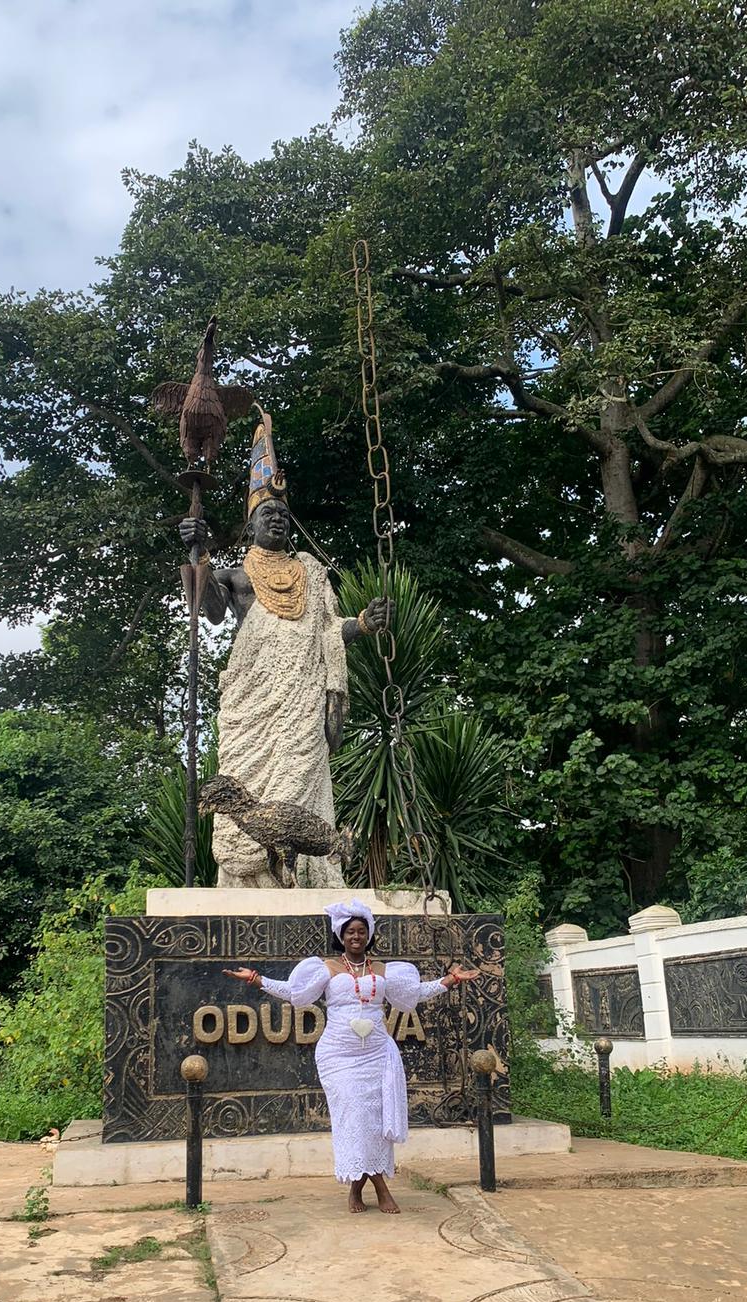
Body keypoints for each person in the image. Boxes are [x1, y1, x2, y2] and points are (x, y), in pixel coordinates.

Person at [180, 410, 389, 888]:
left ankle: (307, 874)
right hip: (251, 703)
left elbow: (328, 631)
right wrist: (200, 552)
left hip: (300, 701)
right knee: (242, 782)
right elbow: (208, 608)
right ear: (250, 525)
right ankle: (246, 878)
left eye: (281, 515)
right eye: (265, 514)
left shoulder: (311, 573)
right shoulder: (236, 576)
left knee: (302, 773)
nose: (275, 519)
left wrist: (361, 624)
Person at [225, 898, 479, 1213]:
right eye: (350, 933)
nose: (356, 937)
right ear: (341, 937)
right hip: (339, 1058)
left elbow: (416, 994)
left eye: (361, 931)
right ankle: (382, 1189)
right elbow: (294, 993)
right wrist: (256, 979)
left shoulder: (385, 970)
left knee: (373, 1123)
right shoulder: (326, 968)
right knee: (354, 1118)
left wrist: (450, 981)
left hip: (376, 1055)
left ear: (368, 935)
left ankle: (356, 1190)